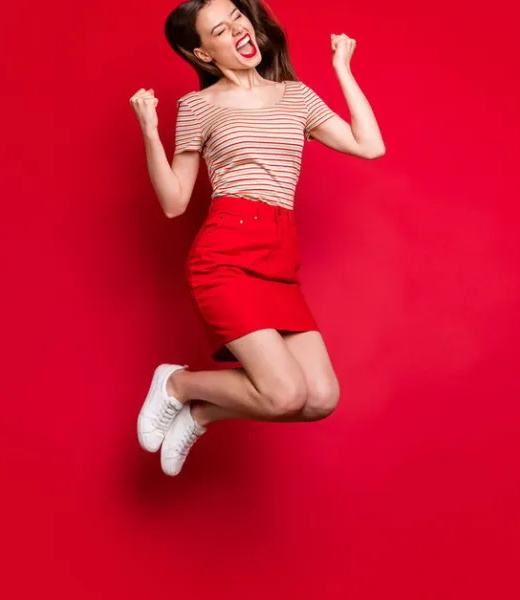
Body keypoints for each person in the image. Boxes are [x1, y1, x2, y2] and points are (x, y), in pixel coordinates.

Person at [130, 0, 385, 476]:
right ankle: (179, 385)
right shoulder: (199, 106)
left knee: (320, 398)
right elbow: (173, 203)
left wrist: (342, 70)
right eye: (220, 31)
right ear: (203, 54)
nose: (239, 31)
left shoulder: (296, 96)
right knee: (284, 393)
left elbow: (369, 146)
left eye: (237, 18)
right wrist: (149, 132)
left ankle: (200, 411)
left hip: (279, 256)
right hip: (225, 253)